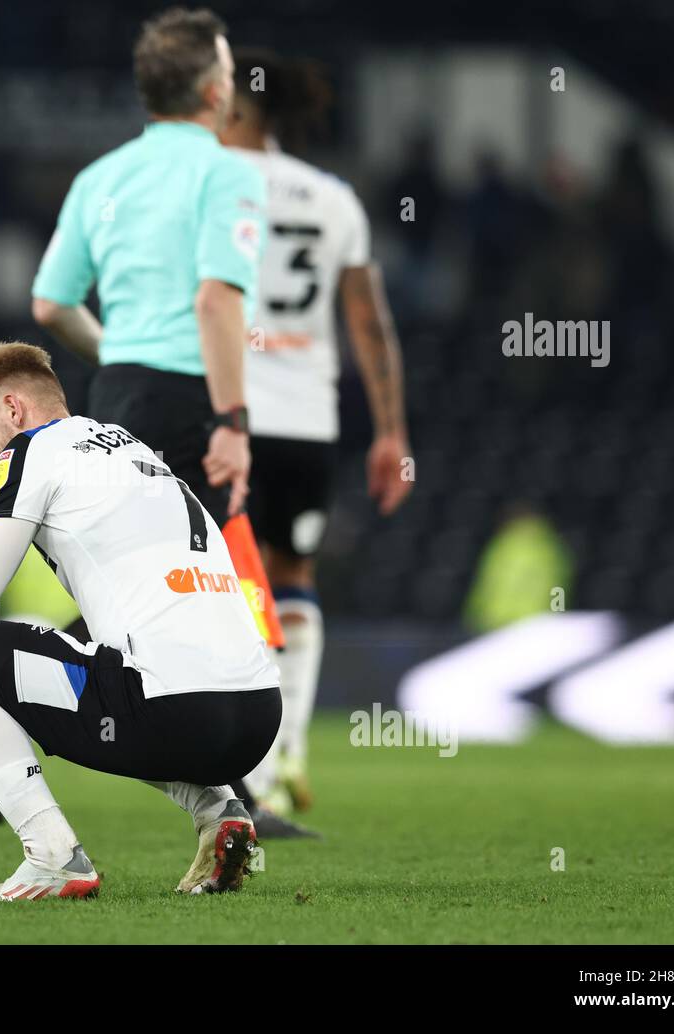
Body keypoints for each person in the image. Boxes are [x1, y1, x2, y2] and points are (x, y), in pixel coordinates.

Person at [30, 8, 310, 835]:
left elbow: (49, 302)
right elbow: (217, 297)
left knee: (140, 582)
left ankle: (20, 697)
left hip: (118, 395)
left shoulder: (100, 177)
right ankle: (239, 796)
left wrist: (121, 351)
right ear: (218, 88)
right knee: (217, 584)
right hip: (193, 399)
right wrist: (232, 418)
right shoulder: (229, 173)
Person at [0, 342, 281, 899]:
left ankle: (54, 857)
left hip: (172, 708)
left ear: (14, 411)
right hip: (256, 717)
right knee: (120, 675)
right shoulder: (135, 450)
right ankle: (219, 810)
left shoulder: (32, 452)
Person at [219, 48, 414, 814]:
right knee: (292, 575)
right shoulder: (333, 197)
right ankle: (289, 750)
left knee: (234, 582)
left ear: (236, 111)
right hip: (308, 419)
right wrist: (391, 431)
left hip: (230, 412)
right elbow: (370, 323)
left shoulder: (212, 186)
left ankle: (253, 766)